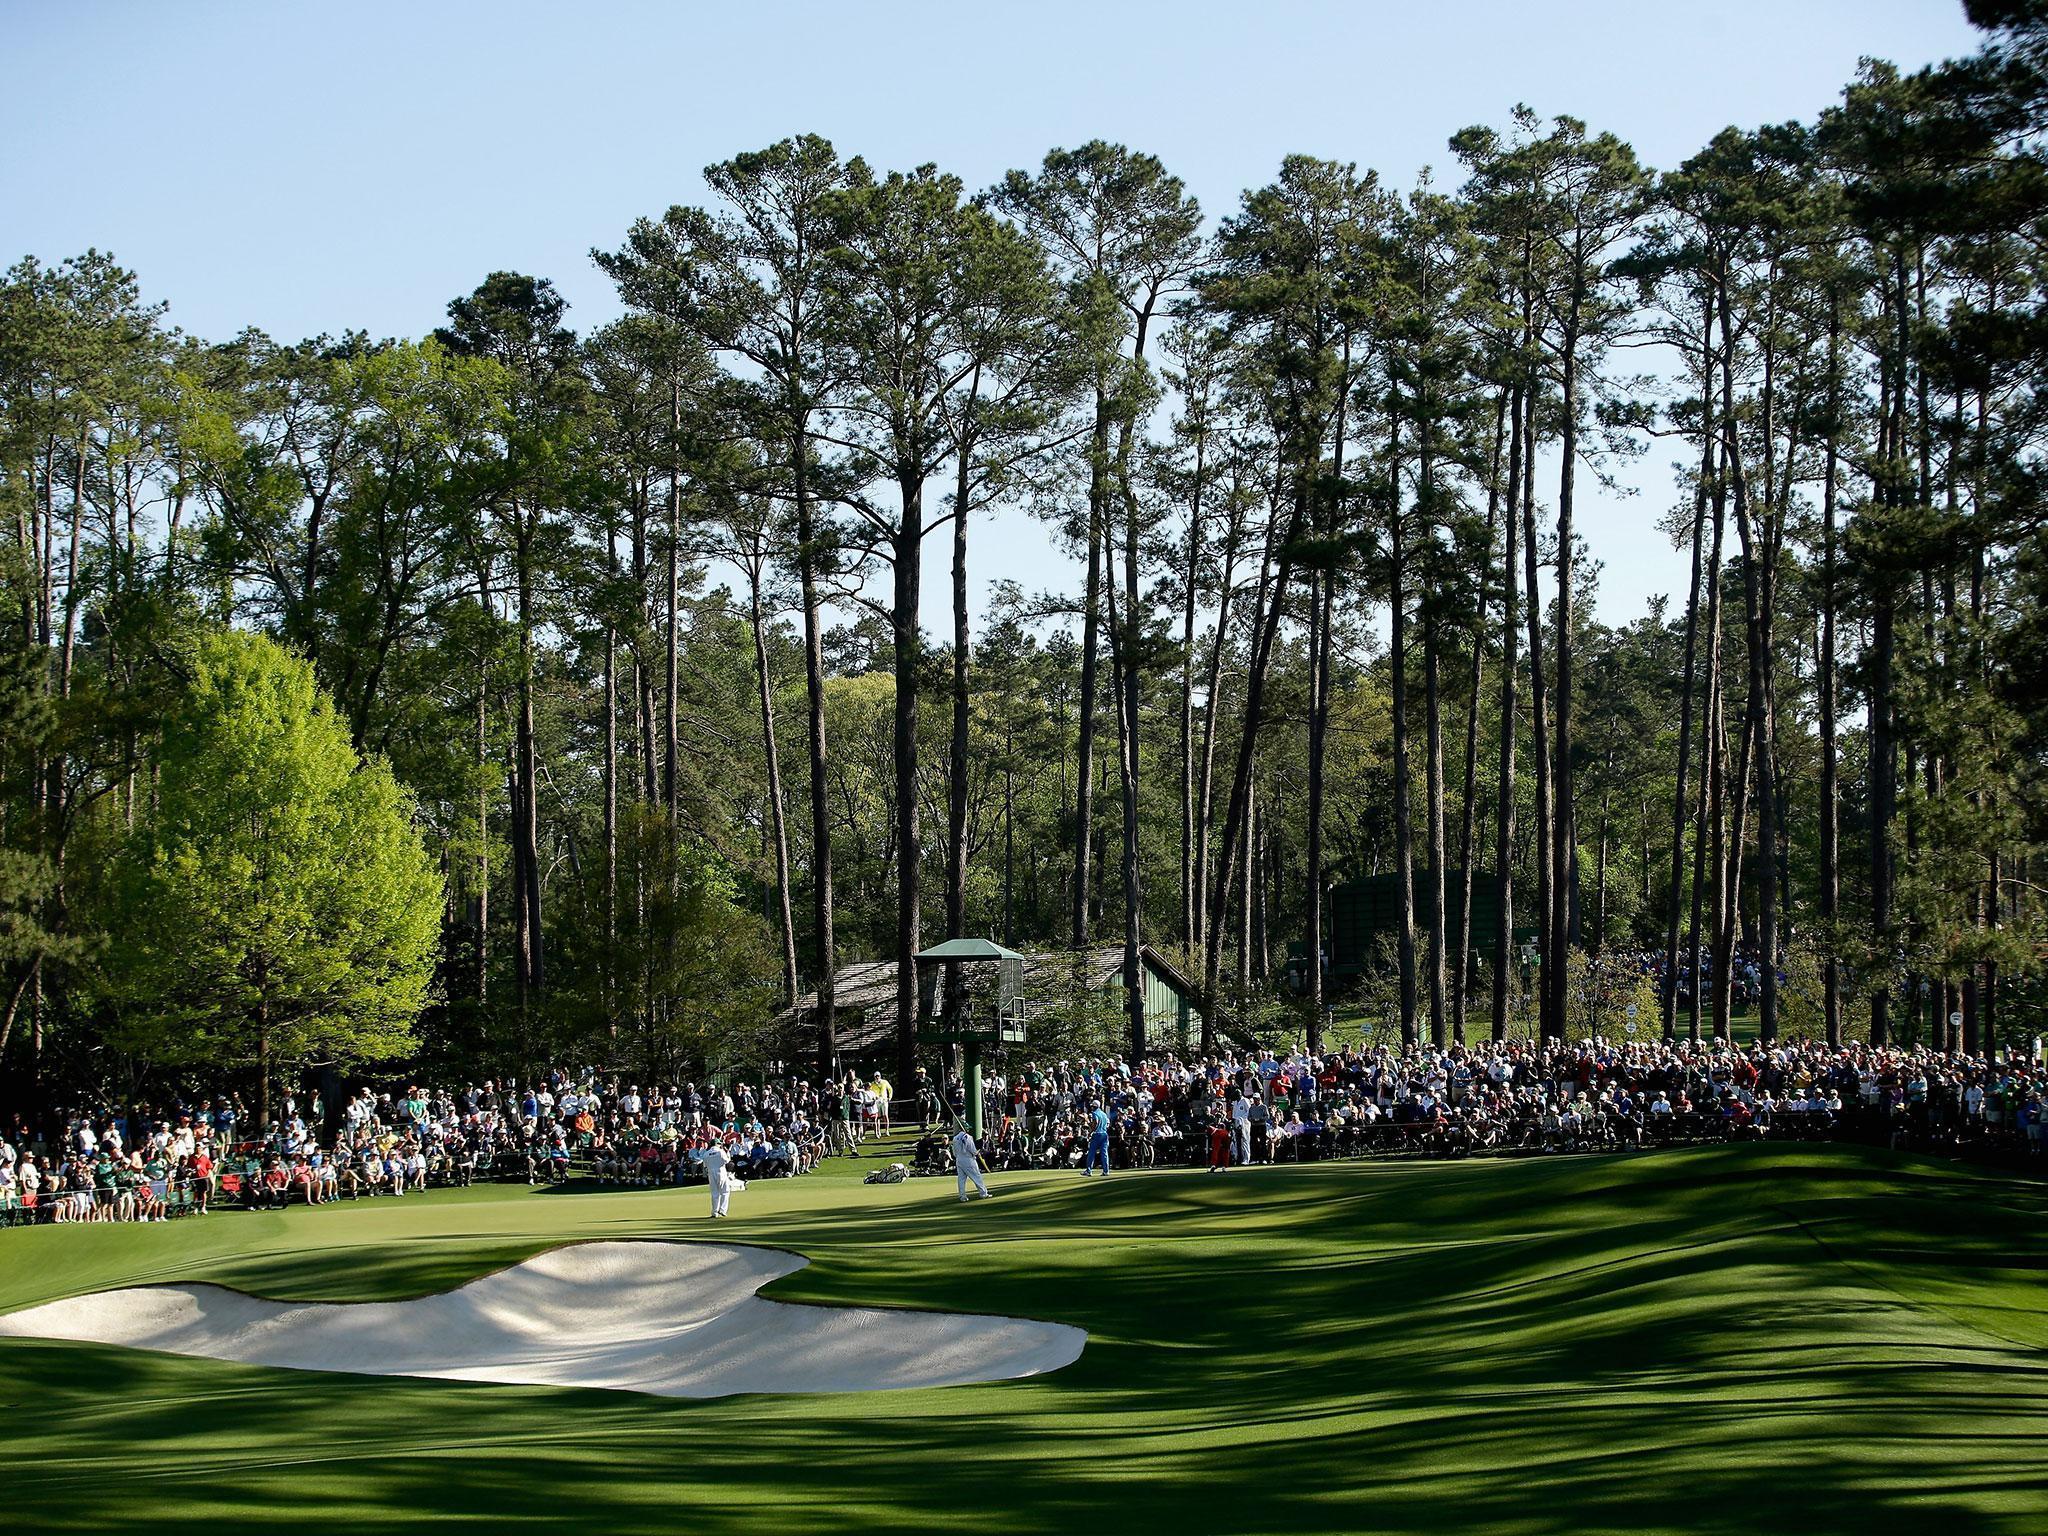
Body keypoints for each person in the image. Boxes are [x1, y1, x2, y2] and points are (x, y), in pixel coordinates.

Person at [700, 1138, 739, 1218]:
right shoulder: (720, 1151)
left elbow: (705, 1165)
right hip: (720, 1171)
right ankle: (722, 1210)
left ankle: (714, 1212)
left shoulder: (706, 1154)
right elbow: (727, 1161)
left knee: (714, 1193)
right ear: (717, 1144)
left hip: (711, 1172)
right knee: (725, 1191)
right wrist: (727, 1152)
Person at [952, 1124, 989, 1201]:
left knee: (961, 1179)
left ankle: (962, 1197)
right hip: (968, 1159)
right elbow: (972, 1149)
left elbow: (954, 1152)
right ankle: (983, 1193)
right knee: (977, 1176)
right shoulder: (968, 1137)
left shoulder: (955, 1138)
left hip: (959, 1160)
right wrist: (976, 1153)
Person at [1083, 1101, 1111, 1177]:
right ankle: (1106, 1171)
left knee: (1091, 1153)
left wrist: (1087, 1121)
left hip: (1097, 1135)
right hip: (1104, 1134)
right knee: (1104, 1153)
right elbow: (1107, 1124)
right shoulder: (1104, 1114)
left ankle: (1089, 1170)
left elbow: (1095, 1125)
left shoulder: (1095, 1113)